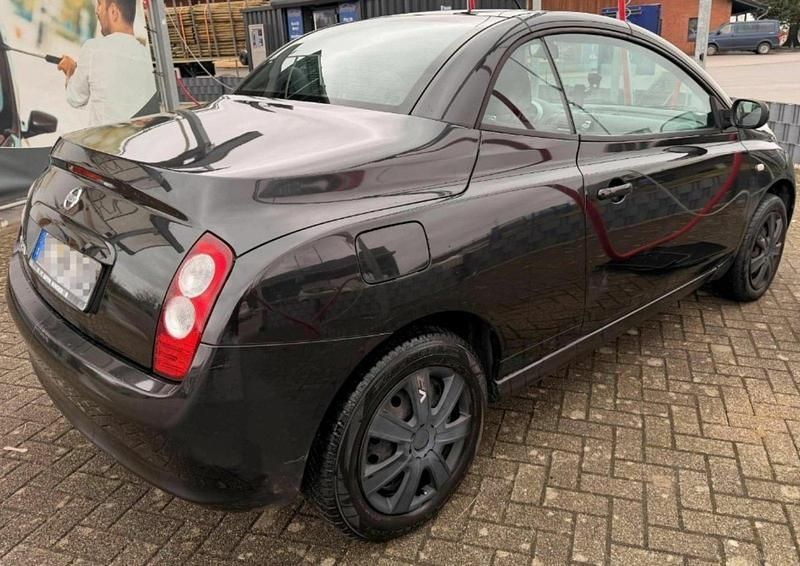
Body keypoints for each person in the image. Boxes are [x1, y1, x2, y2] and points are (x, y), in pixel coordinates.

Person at [57, 0, 156, 128]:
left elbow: (75, 99)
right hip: (136, 143)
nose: (97, 11)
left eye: (100, 4)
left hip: (103, 145)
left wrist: (70, 71)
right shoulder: (147, 57)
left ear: (114, 11)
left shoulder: (93, 49)